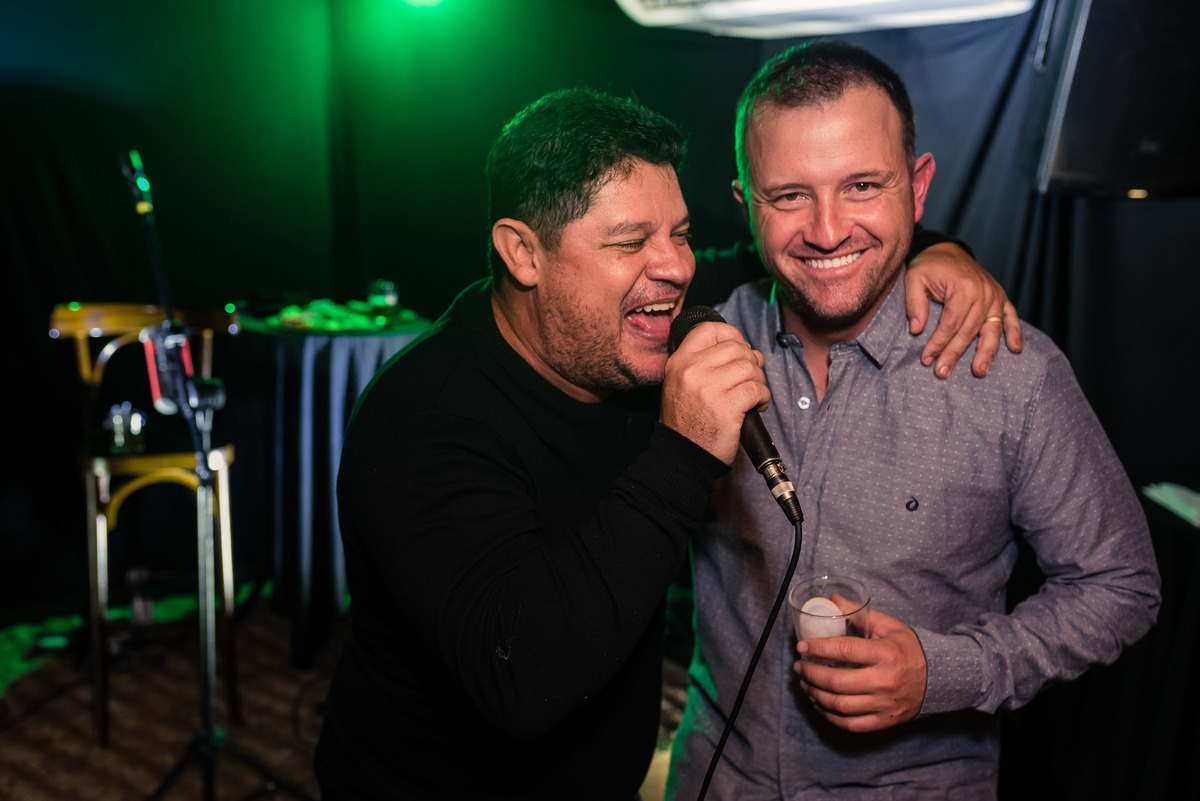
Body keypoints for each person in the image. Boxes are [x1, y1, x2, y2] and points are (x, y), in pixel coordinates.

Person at [313, 85, 1014, 800]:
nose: (677, 267)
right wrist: (682, 451)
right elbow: (520, 677)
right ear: (523, 253)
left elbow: (809, 250)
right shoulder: (423, 422)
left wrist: (939, 251)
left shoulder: (616, 328)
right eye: (629, 242)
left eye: (678, 233)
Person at [667, 41, 1161, 800]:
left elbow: (1121, 584)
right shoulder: (693, 350)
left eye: (863, 186)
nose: (827, 230)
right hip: (717, 781)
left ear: (918, 186)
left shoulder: (1014, 375)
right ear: (745, 203)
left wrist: (945, 671)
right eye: (789, 196)